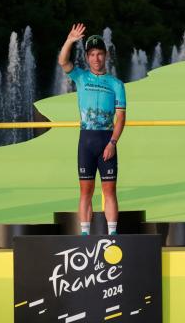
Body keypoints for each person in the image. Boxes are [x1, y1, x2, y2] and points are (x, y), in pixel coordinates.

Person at [58, 23, 126, 235]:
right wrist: (70, 40)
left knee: (110, 192)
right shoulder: (81, 77)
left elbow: (121, 117)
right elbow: (63, 61)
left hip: (107, 141)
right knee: (85, 192)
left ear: (105, 56)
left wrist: (113, 143)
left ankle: (113, 235)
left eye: (100, 54)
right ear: (87, 57)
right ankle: (85, 236)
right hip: (86, 142)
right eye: (92, 54)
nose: (96, 58)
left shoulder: (116, 84)